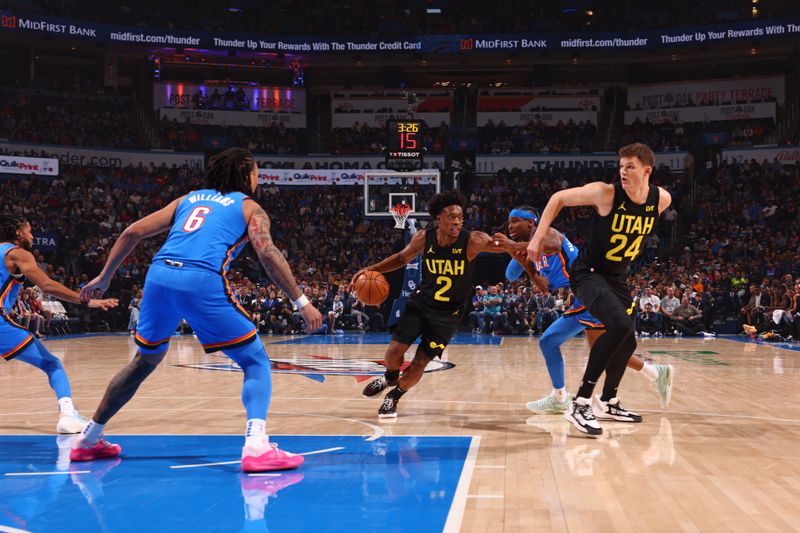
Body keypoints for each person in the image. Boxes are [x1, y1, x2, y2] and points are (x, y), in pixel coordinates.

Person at [69, 148, 322, 472]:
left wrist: (105, 277)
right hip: (200, 278)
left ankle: (88, 441)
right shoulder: (249, 207)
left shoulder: (189, 199)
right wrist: (302, 301)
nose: (259, 180)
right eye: (257, 173)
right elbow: (268, 253)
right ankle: (257, 446)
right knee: (255, 360)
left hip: (159, 277)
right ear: (246, 176)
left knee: (143, 361)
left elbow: (133, 231)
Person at [528, 143, 672, 436]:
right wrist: (537, 237)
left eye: (630, 166)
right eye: (620, 166)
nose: (623, 172)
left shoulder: (662, 199)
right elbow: (558, 198)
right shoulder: (606, 193)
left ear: (647, 170)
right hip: (589, 273)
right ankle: (580, 403)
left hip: (618, 276)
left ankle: (609, 400)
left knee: (627, 340)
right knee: (617, 327)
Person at [495, 206, 673, 415]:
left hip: (595, 291)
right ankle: (563, 396)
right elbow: (511, 275)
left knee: (594, 351)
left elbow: (550, 244)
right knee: (558, 343)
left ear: (531, 222)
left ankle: (576, 399)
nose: (511, 226)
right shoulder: (530, 249)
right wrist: (523, 263)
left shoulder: (547, 234)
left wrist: (512, 245)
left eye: (516, 221)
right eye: (509, 223)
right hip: (584, 298)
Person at [352, 190, 505, 418]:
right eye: (451, 216)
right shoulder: (424, 237)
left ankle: (394, 396)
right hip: (421, 304)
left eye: (460, 217)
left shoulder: (471, 240)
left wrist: (530, 247)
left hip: (448, 315)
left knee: (420, 361)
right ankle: (390, 377)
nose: (457, 221)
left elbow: (507, 248)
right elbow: (402, 258)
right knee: (394, 351)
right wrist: (372, 269)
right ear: (438, 219)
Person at [0, 216, 118, 433]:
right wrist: (86, 300)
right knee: (52, 364)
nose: (32, 236)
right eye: (29, 231)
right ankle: (67, 416)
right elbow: (46, 284)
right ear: (18, 234)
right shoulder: (17, 253)